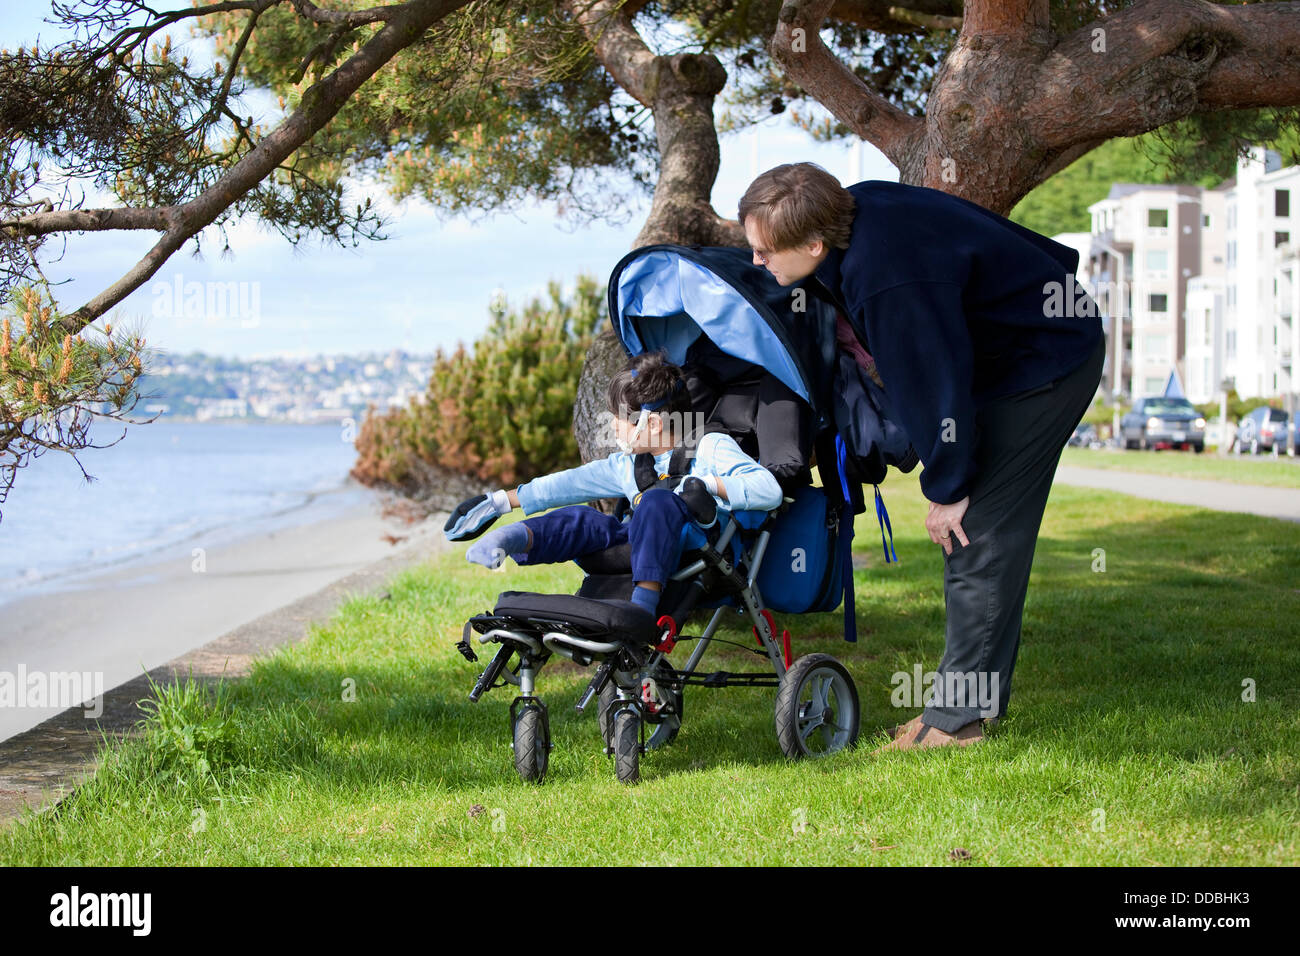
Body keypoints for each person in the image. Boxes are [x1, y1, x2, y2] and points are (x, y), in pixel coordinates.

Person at [737, 162, 1105, 751]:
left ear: (813, 242)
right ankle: (956, 710)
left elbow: (937, 384)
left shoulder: (888, 280)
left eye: (763, 252)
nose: (757, 261)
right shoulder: (847, 211)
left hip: (1046, 360)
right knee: (977, 527)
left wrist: (949, 487)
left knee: (976, 532)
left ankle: (957, 725)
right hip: (1009, 350)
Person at [443, 350, 784, 622]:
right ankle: (511, 538)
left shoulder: (710, 448)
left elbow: (769, 490)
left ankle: (641, 607)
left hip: (698, 547)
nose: (613, 427)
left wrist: (708, 484)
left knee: (656, 503)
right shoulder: (631, 465)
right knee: (584, 519)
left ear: (650, 422)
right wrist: (502, 501)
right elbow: (569, 483)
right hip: (640, 542)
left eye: (617, 419)